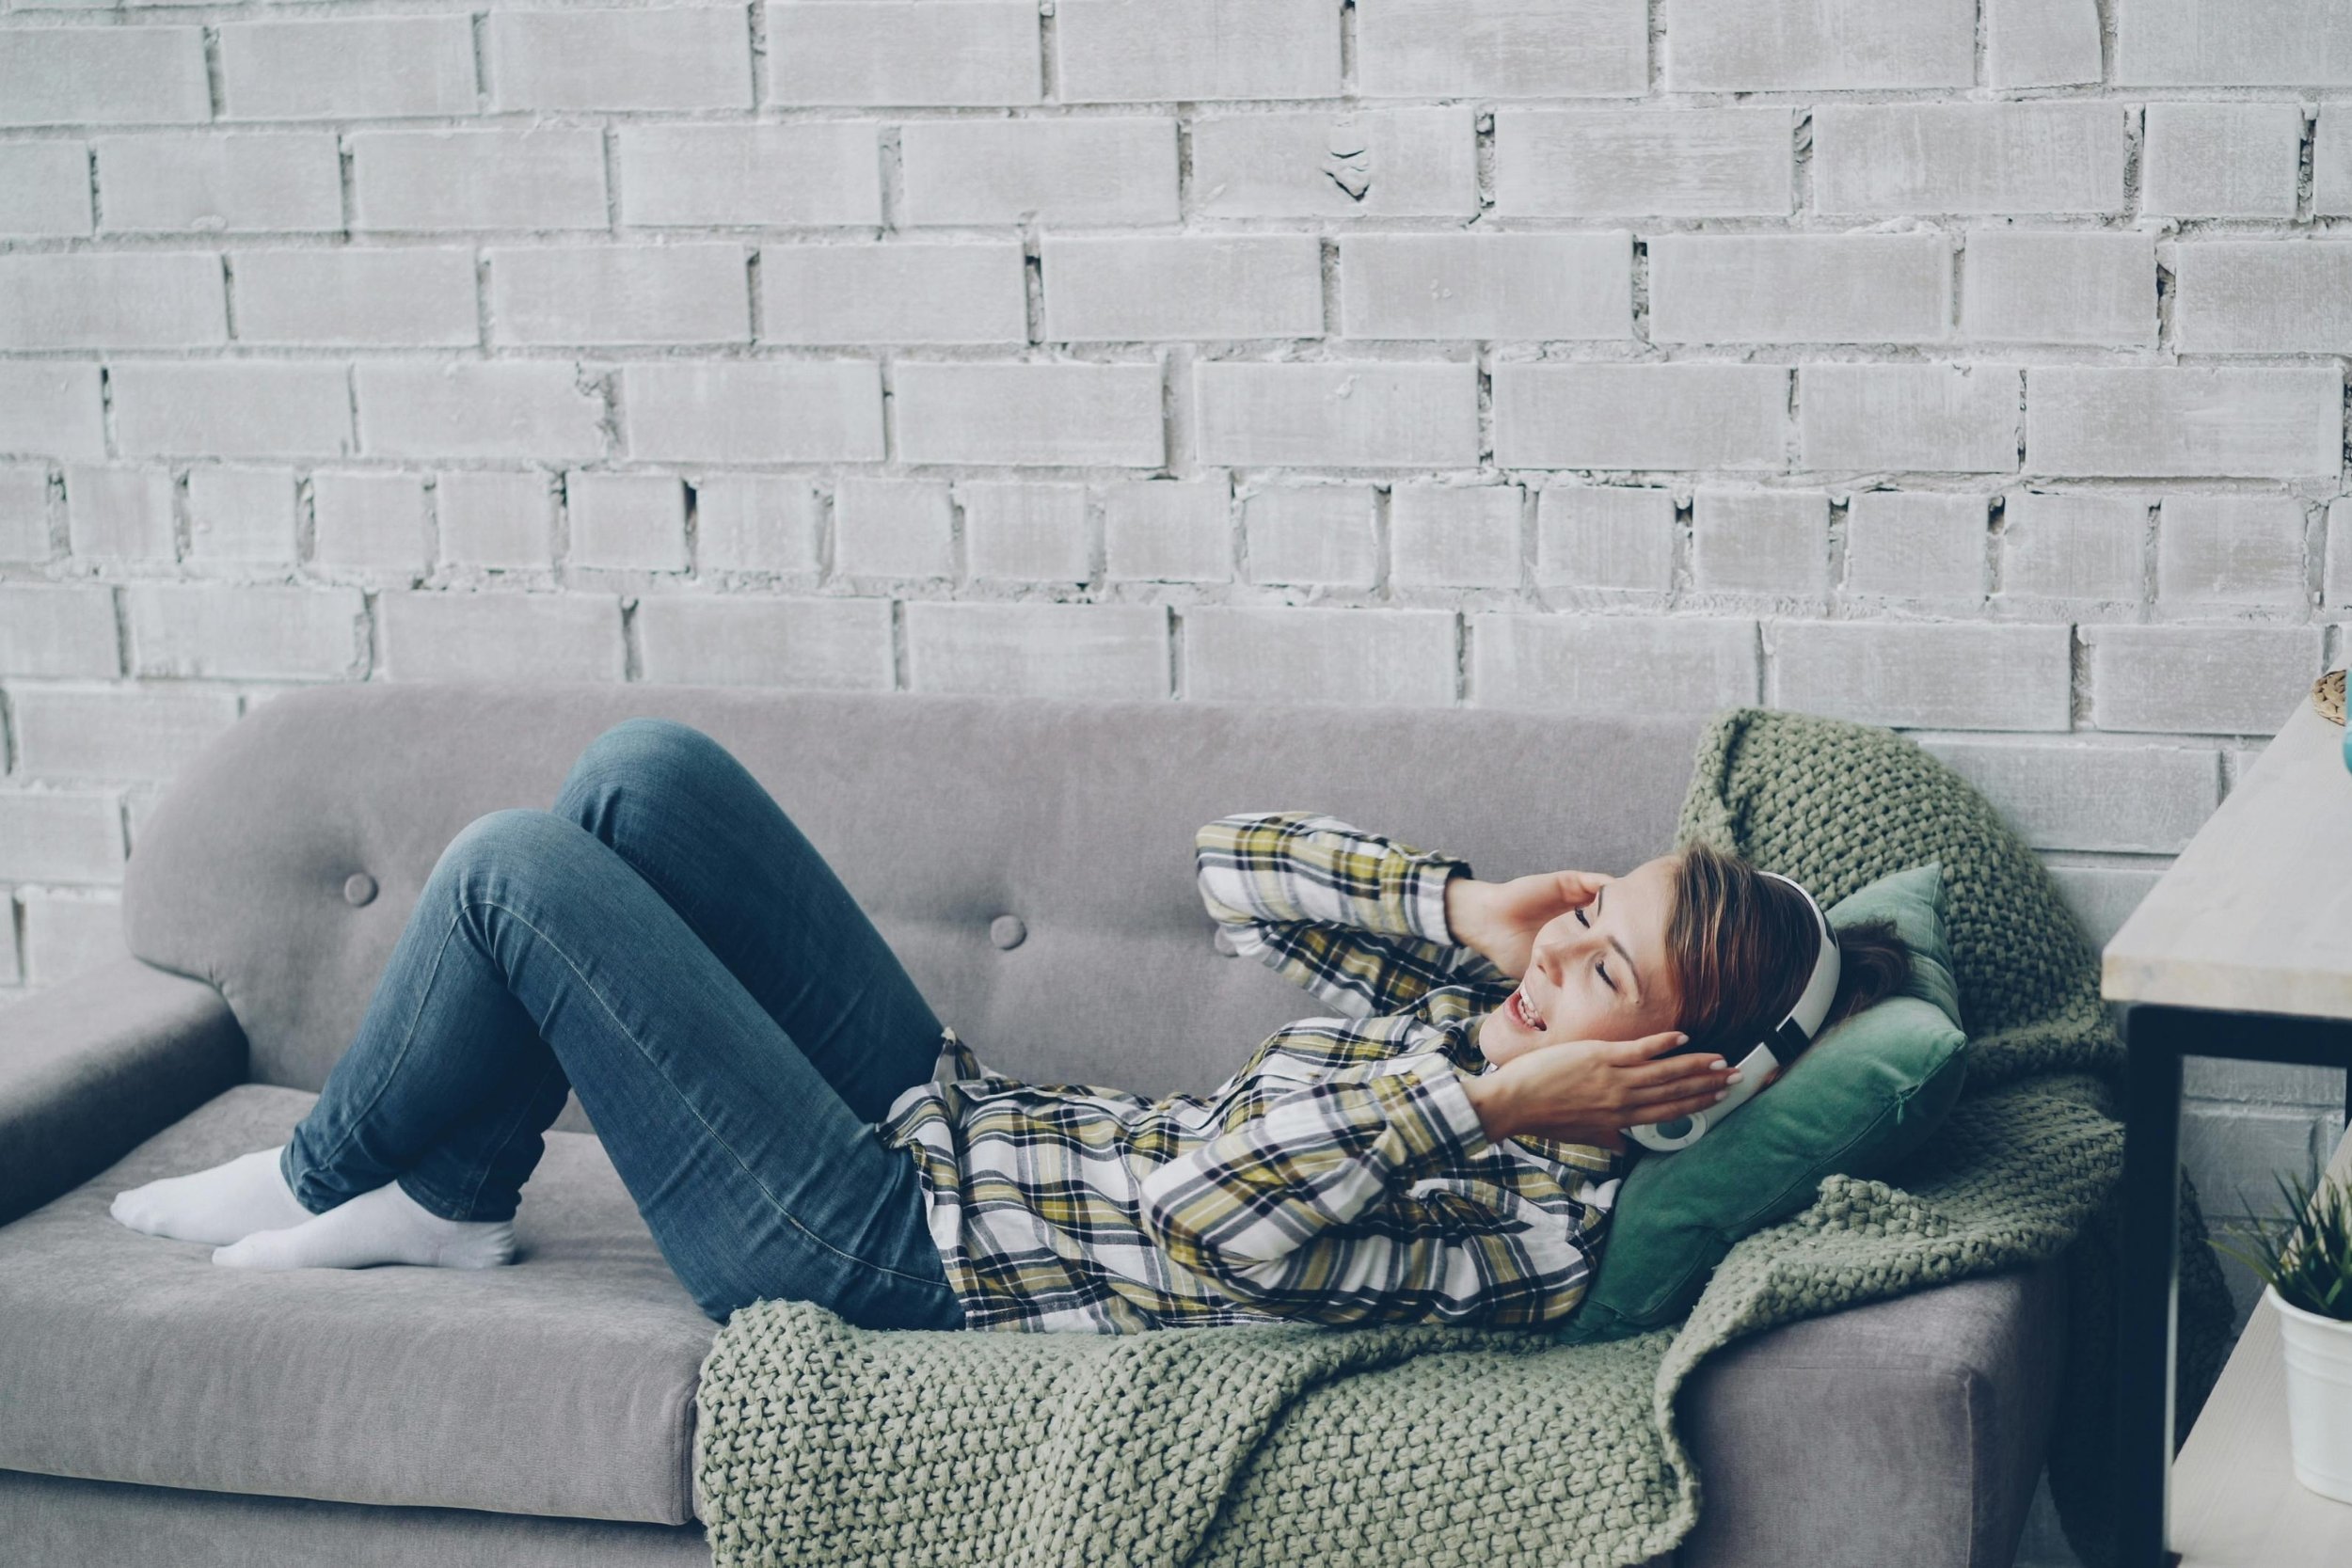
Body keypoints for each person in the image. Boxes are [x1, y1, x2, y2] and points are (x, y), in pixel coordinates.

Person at [109, 719, 1909, 1334]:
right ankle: (454, 1191)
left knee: (514, 870)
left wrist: (1491, 1105)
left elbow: (1212, 1217)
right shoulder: (1490, 1018)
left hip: (886, 1247)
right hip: (947, 1116)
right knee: (638, 785)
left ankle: (341, 1167)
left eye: (1605, 963)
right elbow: (1232, 875)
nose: (1564, 942)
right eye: (1601, 896)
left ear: (1672, 1089)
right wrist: (1467, 912)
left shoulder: (1532, 1211)